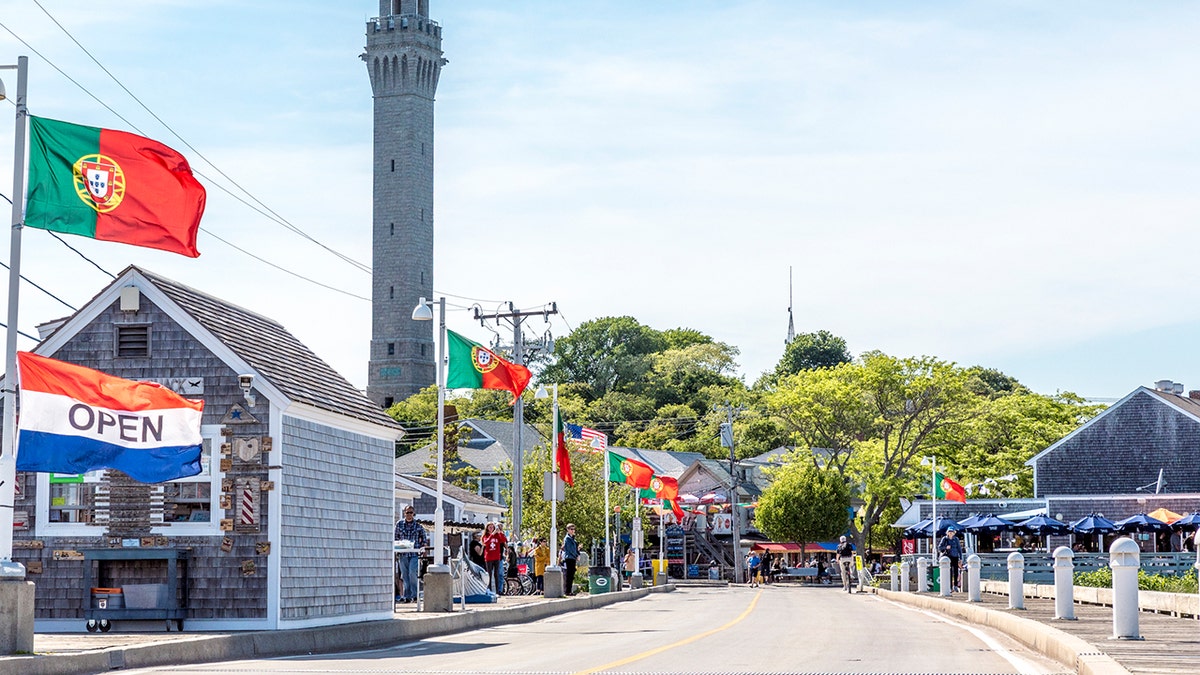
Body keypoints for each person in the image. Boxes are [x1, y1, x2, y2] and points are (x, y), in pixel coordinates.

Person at [393, 506, 428, 604]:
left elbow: (424, 538)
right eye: (407, 512)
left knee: (412, 572)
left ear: (414, 513)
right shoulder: (399, 524)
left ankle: (414, 595)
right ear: (404, 513)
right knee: (404, 575)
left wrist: (423, 549)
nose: (409, 514)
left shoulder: (418, 525)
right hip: (403, 553)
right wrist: (397, 548)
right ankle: (407, 596)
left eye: (411, 512)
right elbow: (396, 538)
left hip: (414, 553)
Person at [482, 522, 507, 593]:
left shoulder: (497, 535)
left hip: (496, 557)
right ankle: (489, 590)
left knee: (497, 574)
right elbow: (486, 542)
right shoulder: (485, 536)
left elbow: (503, 540)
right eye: (490, 527)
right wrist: (492, 535)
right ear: (487, 528)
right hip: (489, 558)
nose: (491, 528)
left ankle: (497, 591)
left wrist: (500, 532)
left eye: (492, 527)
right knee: (489, 574)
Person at [561, 523, 579, 595]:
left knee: (571, 575)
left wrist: (577, 554)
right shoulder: (567, 539)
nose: (573, 531)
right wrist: (576, 555)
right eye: (571, 529)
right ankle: (567, 591)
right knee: (569, 575)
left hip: (572, 558)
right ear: (567, 530)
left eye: (574, 529)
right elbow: (570, 549)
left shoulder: (572, 538)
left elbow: (575, 548)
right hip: (569, 558)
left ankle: (569, 590)